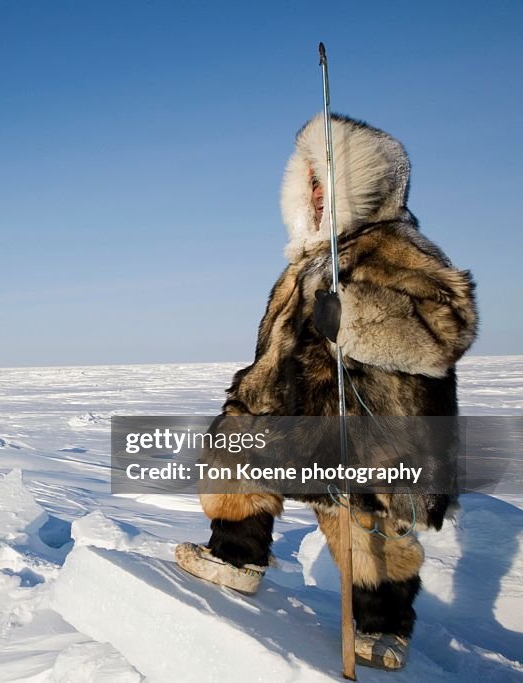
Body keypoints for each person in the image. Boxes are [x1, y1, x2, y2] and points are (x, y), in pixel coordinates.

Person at [175, 114, 478, 671]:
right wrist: (247, 400)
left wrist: (357, 317)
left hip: (377, 425)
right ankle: (237, 558)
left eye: (327, 180)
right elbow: (280, 350)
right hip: (299, 417)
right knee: (234, 454)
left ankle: (384, 627)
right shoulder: (302, 265)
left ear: (365, 183)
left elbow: (446, 330)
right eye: (309, 181)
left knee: (367, 530)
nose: (316, 193)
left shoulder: (396, 247)